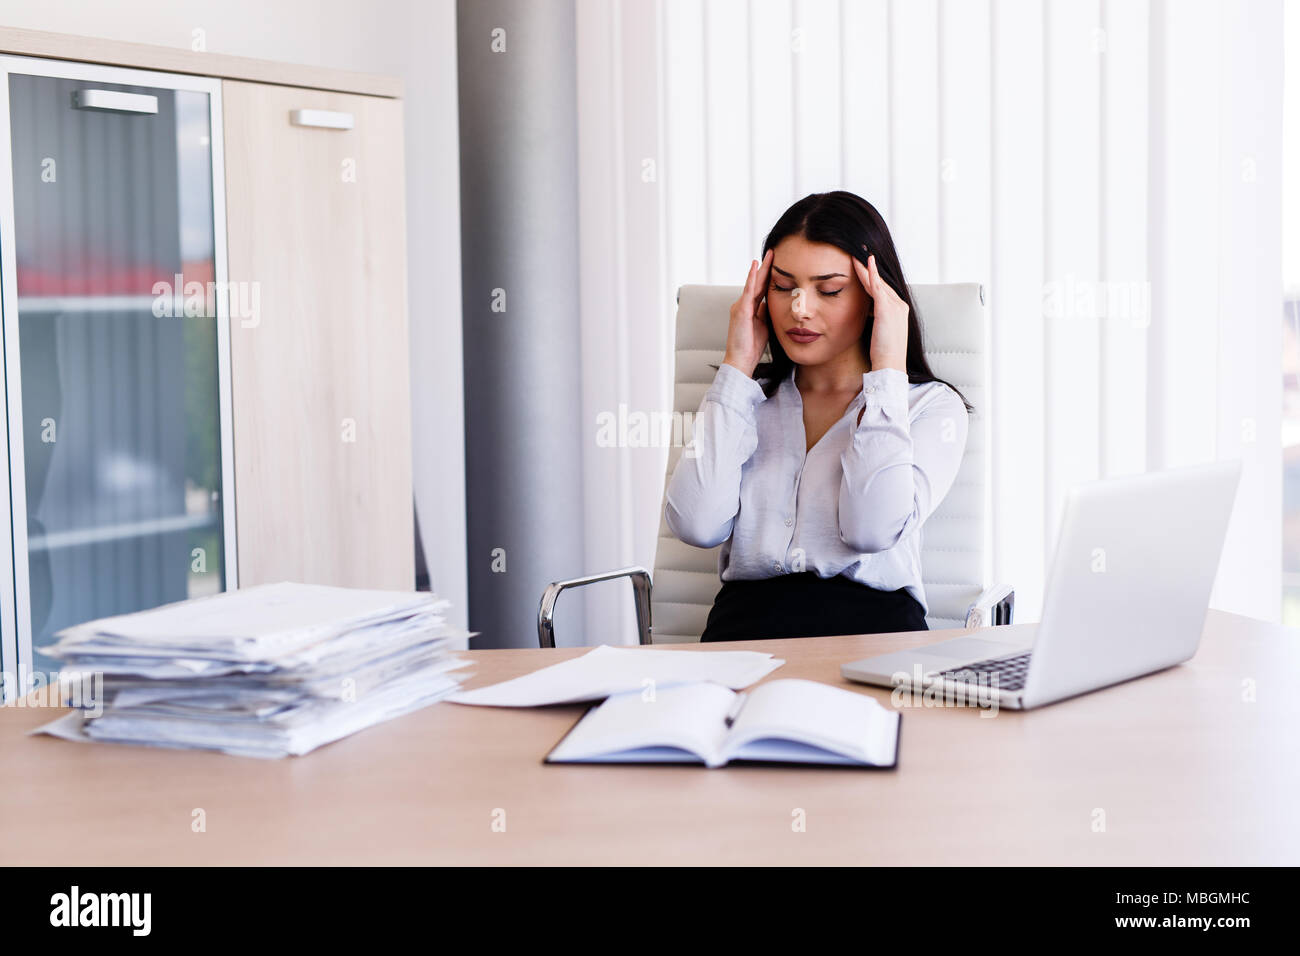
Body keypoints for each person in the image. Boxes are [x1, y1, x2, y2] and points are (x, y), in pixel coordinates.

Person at [664, 190, 973, 642]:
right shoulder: (741, 401)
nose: (798, 309)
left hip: (872, 633)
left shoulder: (926, 407)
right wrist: (736, 367)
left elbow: (871, 529)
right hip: (743, 634)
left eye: (828, 290)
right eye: (783, 286)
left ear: (874, 298)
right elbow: (697, 524)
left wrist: (887, 368)